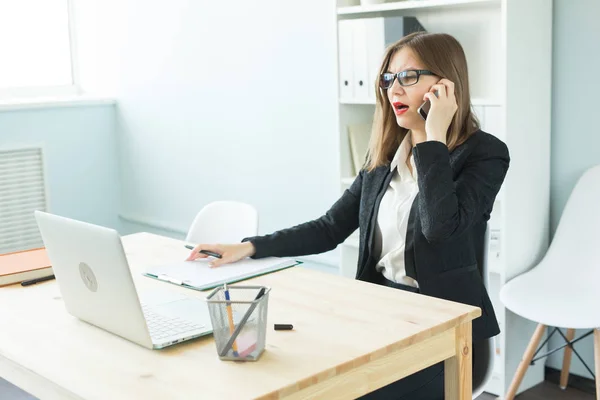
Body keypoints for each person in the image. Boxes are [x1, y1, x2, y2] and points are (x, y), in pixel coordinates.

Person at [187, 31, 509, 400]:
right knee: (288, 373)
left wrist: (432, 138)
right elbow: (329, 228)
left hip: (447, 333)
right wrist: (247, 248)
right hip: (379, 314)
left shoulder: (485, 154)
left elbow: (439, 228)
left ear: (445, 85)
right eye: (388, 79)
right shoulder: (384, 158)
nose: (394, 90)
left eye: (408, 76)